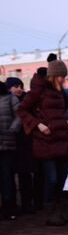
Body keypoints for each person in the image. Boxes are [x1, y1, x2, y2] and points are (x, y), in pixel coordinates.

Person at [17, 60, 68, 226]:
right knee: (52, 178)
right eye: (62, 76)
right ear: (55, 75)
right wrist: (39, 125)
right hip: (46, 142)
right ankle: (52, 210)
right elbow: (22, 110)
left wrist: (66, 122)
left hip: (62, 139)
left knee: (64, 178)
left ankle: (62, 211)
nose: (64, 79)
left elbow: (57, 113)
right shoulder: (38, 90)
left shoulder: (59, 92)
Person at [0, 81, 20, 220]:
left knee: (7, 176)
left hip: (7, 143)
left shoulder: (10, 97)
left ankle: (10, 207)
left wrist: (12, 130)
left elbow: (19, 116)